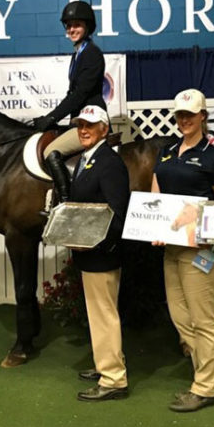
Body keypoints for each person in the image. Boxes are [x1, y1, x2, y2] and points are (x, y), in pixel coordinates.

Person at [151, 89, 214, 412]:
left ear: (203, 116)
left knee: (203, 318)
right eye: (179, 115)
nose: (184, 120)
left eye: (190, 114)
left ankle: (205, 388)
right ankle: (213, 379)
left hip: (204, 249)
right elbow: (156, 195)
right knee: (181, 318)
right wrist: (156, 228)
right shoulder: (167, 152)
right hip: (172, 246)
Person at [69, 104, 130, 402]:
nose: (83, 130)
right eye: (81, 124)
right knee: (99, 315)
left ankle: (114, 379)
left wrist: (96, 244)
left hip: (101, 255)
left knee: (104, 316)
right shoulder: (88, 159)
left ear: (104, 130)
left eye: (90, 125)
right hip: (89, 254)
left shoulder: (109, 163)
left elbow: (117, 214)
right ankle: (105, 364)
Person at [31, 0, 106, 203]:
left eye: (77, 25)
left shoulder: (92, 54)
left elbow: (80, 94)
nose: (72, 29)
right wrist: (51, 118)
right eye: (69, 25)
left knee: (51, 152)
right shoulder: (78, 55)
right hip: (80, 119)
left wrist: (53, 116)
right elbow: (71, 94)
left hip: (92, 120)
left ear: (87, 26)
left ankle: (66, 202)